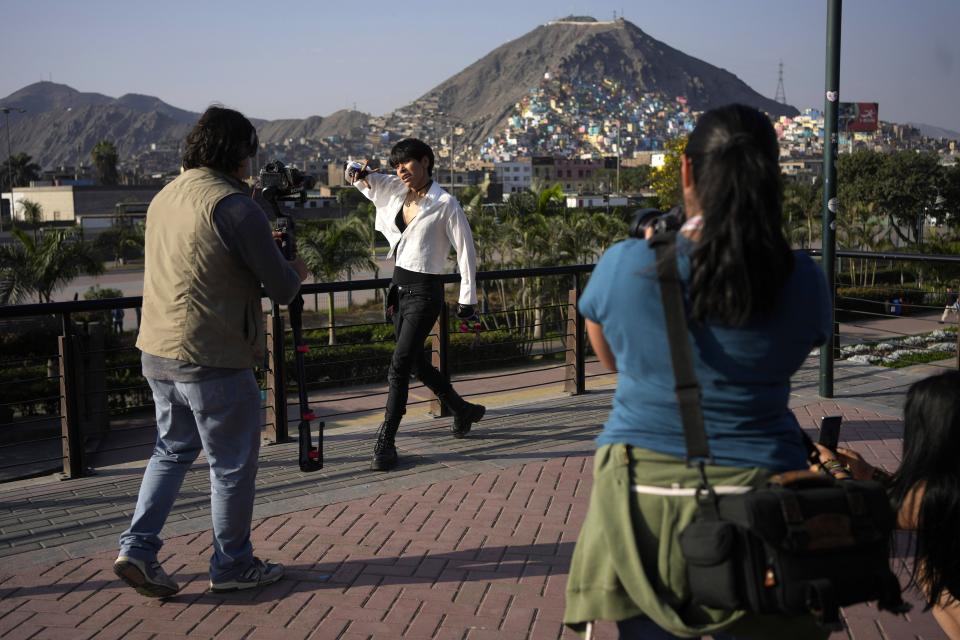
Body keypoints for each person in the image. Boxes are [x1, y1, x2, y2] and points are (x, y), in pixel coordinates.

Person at [563, 104, 832, 639]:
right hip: (766, 499)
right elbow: (792, 353)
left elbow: (612, 360)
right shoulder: (803, 278)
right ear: (772, 175)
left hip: (643, 494)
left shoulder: (624, 265)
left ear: (686, 171)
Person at [114, 106, 309, 598]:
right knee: (232, 465)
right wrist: (296, 266)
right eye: (250, 149)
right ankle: (232, 565)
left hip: (157, 351)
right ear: (238, 151)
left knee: (171, 451)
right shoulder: (235, 207)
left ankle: (136, 548)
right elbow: (282, 289)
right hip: (213, 356)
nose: (252, 159)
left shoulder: (166, 196)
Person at [345, 139, 485, 471]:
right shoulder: (394, 189)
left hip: (426, 291)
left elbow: (467, 253)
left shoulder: (446, 203)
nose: (400, 170)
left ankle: (386, 441)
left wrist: (468, 301)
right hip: (399, 289)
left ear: (425, 161)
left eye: (406, 163)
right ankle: (461, 409)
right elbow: (354, 175)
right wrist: (357, 168)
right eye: (396, 166)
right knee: (416, 364)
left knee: (399, 365)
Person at [815, 370, 960, 638]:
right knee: (931, 572)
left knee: (932, 572)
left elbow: (866, 510)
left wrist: (832, 468)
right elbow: (916, 503)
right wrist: (870, 473)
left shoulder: (943, 497)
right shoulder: (948, 488)